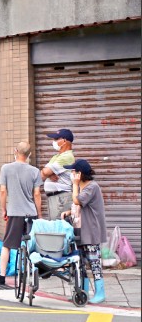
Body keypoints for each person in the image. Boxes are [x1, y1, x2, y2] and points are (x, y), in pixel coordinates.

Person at [0, 142, 43, 285]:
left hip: (14, 212)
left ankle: (2, 277)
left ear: (15, 151)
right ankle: (33, 271)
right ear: (29, 155)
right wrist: (39, 214)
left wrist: (4, 210)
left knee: (7, 244)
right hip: (30, 213)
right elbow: (37, 194)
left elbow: (3, 191)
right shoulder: (35, 171)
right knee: (31, 244)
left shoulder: (6, 168)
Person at [61, 159, 107, 304]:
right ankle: (83, 292)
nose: (71, 174)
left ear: (79, 174)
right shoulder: (82, 187)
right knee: (80, 264)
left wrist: (75, 185)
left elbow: (77, 201)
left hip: (91, 232)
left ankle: (100, 293)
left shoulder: (92, 187)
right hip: (80, 231)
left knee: (94, 263)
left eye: (73, 172)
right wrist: (69, 212)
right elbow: (78, 206)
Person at [40, 128, 75, 221]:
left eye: (56, 139)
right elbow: (41, 175)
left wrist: (48, 173)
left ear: (64, 141)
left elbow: (46, 172)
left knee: (59, 228)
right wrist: (49, 174)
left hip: (61, 198)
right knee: (55, 228)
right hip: (55, 198)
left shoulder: (67, 157)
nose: (53, 142)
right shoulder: (56, 156)